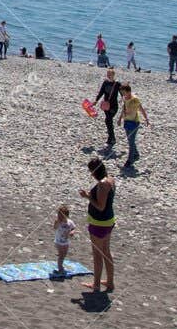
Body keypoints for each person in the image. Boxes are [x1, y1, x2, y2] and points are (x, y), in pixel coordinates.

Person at [82, 158, 115, 293]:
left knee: (98, 254)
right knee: (106, 251)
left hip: (99, 222)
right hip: (108, 220)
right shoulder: (110, 179)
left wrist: (87, 197)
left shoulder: (102, 185)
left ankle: (96, 284)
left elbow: (100, 206)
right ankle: (110, 282)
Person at [119, 83, 149, 169]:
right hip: (127, 121)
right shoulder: (125, 99)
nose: (123, 94)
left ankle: (130, 160)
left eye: (124, 92)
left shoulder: (135, 99)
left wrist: (146, 119)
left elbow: (141, 108)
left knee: (131, 142)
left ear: (129, 91)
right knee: (130, 140)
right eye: (122, 93)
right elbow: (123, 109)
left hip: (134, 122)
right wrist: (120, 118)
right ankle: (136, 154)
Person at [95, 67, 122, 149]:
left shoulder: (117, 84)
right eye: (108, 74)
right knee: (108, 121)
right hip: (106, 105)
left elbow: (122, 93)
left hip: (114, 106)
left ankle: (112, 138)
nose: (109, 76)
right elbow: (101, 92)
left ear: (114, 75)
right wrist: (96, 100)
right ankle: (111, 138)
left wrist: (125, 100)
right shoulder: (105, 82)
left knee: (108, 120)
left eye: (110, 75)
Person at [52, 204, 77, 279]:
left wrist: (72, 232)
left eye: (62, 216)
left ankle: (61, 264)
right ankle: (60, 268)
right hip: (58, 242)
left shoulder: (70, 222)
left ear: (66, 216)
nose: (60, 217)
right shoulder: (58, 221)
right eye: (59, 215)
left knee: (64, 254)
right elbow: (54, 227)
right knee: (61, 255)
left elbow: (74, 228)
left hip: (66, 242)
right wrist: (57, 222)